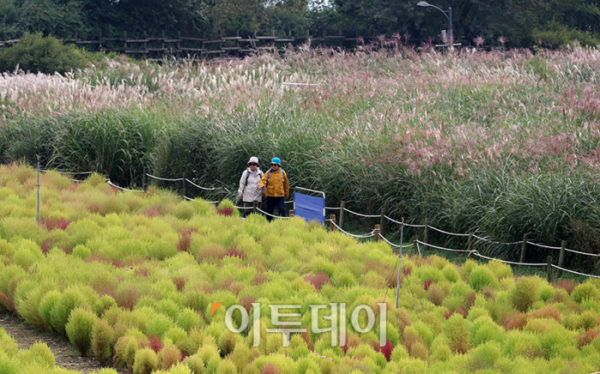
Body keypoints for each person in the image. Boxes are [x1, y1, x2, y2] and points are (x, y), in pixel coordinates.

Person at [259, 157, 289, 221]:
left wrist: (287, 193)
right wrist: (261, 185)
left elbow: (286, 184)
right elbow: (263, 180)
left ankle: (283, 223)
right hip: (270, 195)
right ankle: (269, 223)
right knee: (269, 210)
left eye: (275, 165)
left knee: (281, 209)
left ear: (278, 165)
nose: (273, 166)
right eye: (272, 165)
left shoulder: (283, 172)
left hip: (280, 195)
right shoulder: (268, 172)